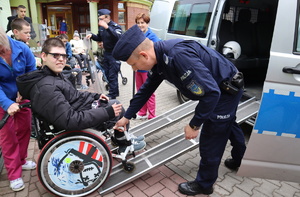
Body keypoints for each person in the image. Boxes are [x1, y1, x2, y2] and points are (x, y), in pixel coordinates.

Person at [112, 25, 247, 195]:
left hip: (224, 92)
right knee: (227, 122)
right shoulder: (161, 58)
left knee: (212, 139)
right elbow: (146, 89)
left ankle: (204, 185)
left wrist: (194, 125)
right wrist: (127, 116)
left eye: (133, 64)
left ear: (144, 55)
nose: (134, 69)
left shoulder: (178, 56)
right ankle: (240, 158)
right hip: (221, 87)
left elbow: (212, 94)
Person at [16, 38, 146, 156]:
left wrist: (96, 96)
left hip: (77, 110)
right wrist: (106, 112)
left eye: (63, 56)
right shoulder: (46, 88)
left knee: (114, 104)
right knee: (116, 109)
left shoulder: (54, 75)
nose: (61, 59)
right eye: (55, 55)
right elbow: (69, 120)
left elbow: (75, 95)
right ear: (43, 56)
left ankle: (121, 138)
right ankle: (123, 143)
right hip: (73, 121)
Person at [0, 26, 37, 192]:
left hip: (22, 97)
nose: (2, 52)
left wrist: (24, 90)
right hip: (2, 100)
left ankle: (22, 160)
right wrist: (7, 103)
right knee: (8, 138)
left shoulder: (22, 48)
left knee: (24, 130)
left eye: (3, 49)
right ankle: (14, 174)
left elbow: (32, 71)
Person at [86, 9, 123, 99]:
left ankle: (112, 94)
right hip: (106, 53)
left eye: (101, 19)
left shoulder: (115, 26)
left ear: (107, 17)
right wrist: (92, 36)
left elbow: (118, 37)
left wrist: (107, 27)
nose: (100, 21)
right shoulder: (102, 27)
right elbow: (99, 37)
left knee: (112, 74)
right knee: (107, 73)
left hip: (114, 53)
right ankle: (114, 91)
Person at [134, 13, 160, 120]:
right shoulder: (136, 35)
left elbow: (158, 50)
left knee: (149, 91)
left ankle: (152, 115)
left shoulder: (152, 36)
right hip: (138, 67)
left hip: (147, 69)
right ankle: (142, 112)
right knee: (140, 91)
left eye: (142, 23)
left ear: (147, 23)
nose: (140, 25)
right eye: (138, 23)